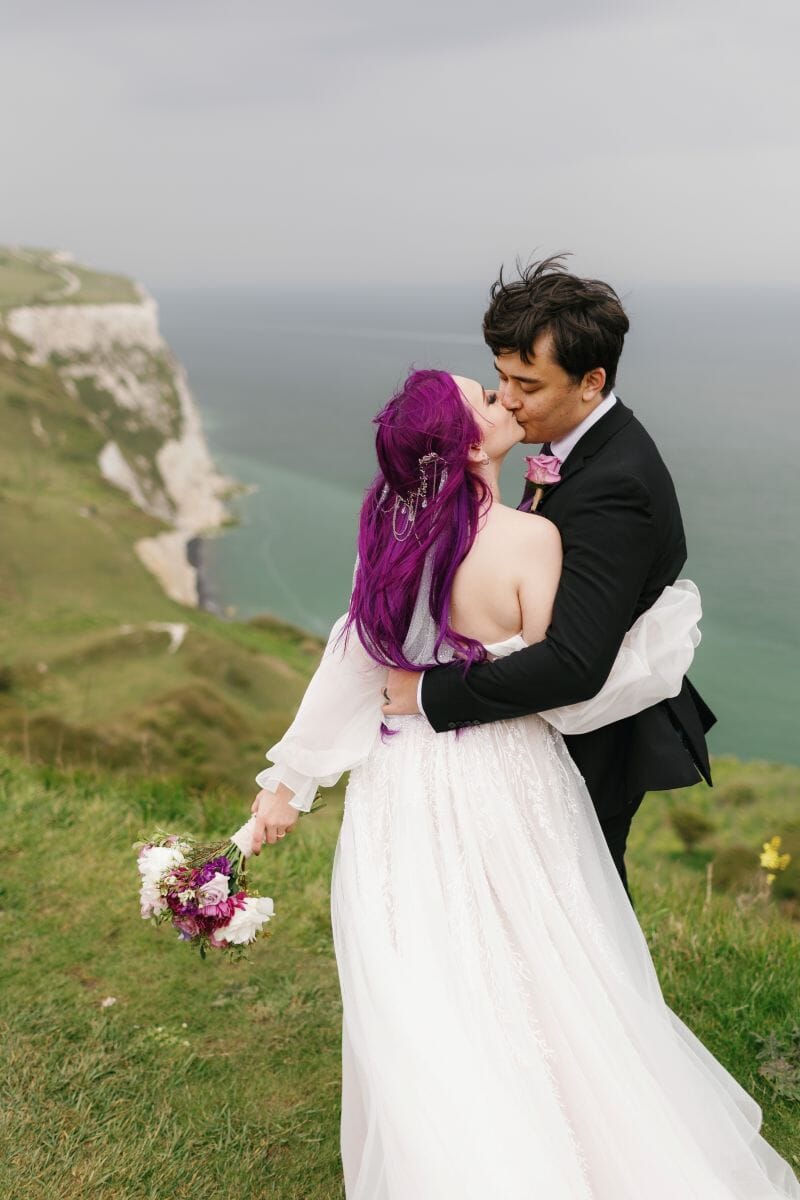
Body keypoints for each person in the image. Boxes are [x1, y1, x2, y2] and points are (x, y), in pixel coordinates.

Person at [245, 370, 798, 1199]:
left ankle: (452, 1144)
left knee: (427, 970)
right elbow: (560, 679)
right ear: (471, 444)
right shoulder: (531, 541)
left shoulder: (391, 537)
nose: (508, 404)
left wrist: (289, 785)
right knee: (543, 952)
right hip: (506, 773)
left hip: (403, 781)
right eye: (489, 401)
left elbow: (349, 662)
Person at [383, 257, 716, 897]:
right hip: (547, 731)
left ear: (591, 381)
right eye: (502, 377)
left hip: (595, 741)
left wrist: (427, 694)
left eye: (527, 385)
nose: (507, 399)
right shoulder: (575, 447)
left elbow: (574, 664)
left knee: (581, 915)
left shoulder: (617, 484)